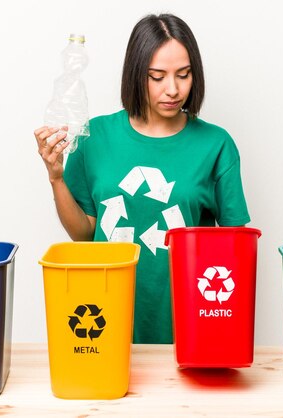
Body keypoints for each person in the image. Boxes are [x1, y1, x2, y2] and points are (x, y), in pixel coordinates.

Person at [34, 13, 250, 344]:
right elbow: (84, 235)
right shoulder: (95, 137)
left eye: (184, 74)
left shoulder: (216, 144)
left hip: (190, 323)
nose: (173, 89)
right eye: (157, 76)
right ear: (137, 74)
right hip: (104, 319)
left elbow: (236, 248)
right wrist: (56, 177)